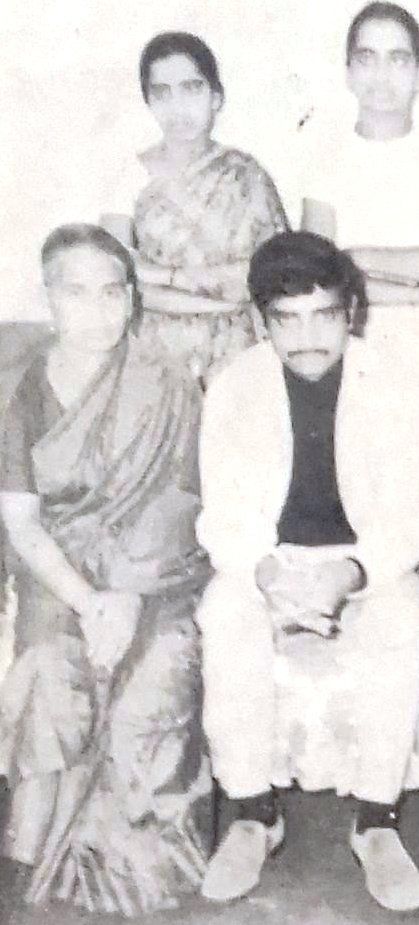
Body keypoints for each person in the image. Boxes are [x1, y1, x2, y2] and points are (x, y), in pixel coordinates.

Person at [196, 231, 419, 912]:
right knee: (224, 610)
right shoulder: (236, 386)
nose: (306, 338)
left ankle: (376, 823)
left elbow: (411, 521)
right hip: (268, 563)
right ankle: (252, 814)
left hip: (361, 564)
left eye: (323, 315)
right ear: (260, 319)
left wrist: (351, 576)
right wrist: (268, 573)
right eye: (286, 319)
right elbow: (224, 517)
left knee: (400, 614)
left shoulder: (392, 384)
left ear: (351, 311)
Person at [0, 224, 213, 916]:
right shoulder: (21, 387)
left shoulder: (168, 380)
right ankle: (26, 853)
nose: (96, 310)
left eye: (110, 292)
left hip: (156, 573)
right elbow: (22, 518)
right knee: (43, 663)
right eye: (75, 292)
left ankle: (123, 870)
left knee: (152, 679)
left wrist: (123, 594)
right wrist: (87, 599)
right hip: (58, 571)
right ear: (49, 298)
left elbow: (180, 499)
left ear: (131, 299)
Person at [301, 2, 419, 384]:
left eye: (398, 60)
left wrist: (354, 257)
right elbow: (317, 279)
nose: (382, 76)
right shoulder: (323, 160)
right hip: (353, 350)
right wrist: (418, 291)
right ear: (348, 73)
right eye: (367, 59)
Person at [101, 31, 288, 382]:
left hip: (239, 350)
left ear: (216, 97)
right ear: (149, 102)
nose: (178, 107)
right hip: (154, 354)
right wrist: (219, 302)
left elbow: (273, 272)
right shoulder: (129, 176)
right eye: (162, 93)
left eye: (192, 88)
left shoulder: (245, 175)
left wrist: (166, 277)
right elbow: (117, 282)